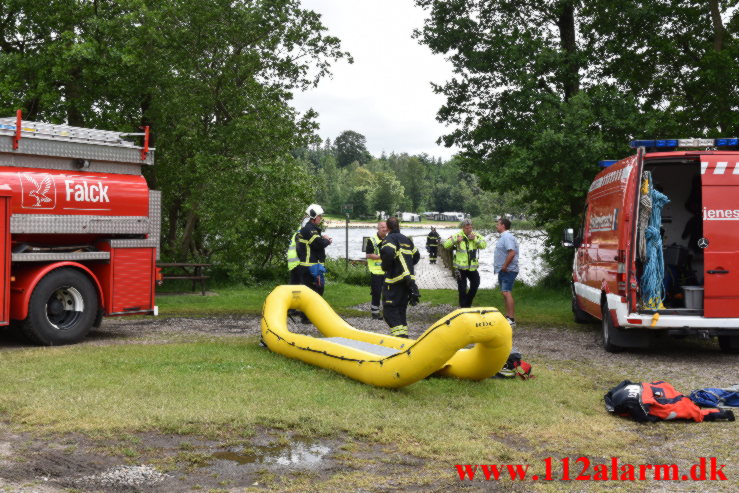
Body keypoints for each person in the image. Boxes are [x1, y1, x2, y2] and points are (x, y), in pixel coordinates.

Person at [380, 216, 420, 338]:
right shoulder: (407, 240)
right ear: (398, 226)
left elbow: (387, 252)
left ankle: (400, 340)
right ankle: (404, 341)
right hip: (407, 282)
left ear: (387, 227)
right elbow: (417, 256)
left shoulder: (389, 239)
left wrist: (386, 267)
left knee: (389, 312)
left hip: (394, 282)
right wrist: (407, 265)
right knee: (401, 311)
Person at [295, 204, 332, 323]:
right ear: (314, 217)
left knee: (315, 291)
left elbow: (317, 241)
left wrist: (323, 239)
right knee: (314, 291)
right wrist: (327, 240)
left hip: (312, 266)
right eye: (319, 216)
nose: (320, 219)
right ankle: (307, 317)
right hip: (310, 267)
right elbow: (317, 243)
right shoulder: (309, 229)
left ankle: (309, 315)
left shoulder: (310, 229)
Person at [443, 219, 487, 308]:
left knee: (475, 284)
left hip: (472, 268)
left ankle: (468, 303)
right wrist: (455, 240)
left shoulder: (476, 235)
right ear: (463, 228)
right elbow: (445, 245)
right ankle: (463, 307)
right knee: (462, 288)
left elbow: (484, 245)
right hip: (460, 268)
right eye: (467, 228)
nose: (469, 229)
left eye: (470, 227)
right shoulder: (458, 235)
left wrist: (475, 239)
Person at [494, 217, 519, 328]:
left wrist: (505, 266)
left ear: (503, 225)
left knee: (506, 292)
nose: (496, 226)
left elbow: (512, 252)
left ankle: (511, 319)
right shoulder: (503, 237)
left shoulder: (507, 237)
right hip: (503, 269)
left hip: (508, 270)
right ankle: (508, 316)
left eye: (498, 224)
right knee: (504, 293)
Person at [365, 221, 388, 320]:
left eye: (386, 227)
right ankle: (375, 313)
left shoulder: (389, 239)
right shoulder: (372, 240)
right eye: (382, 227)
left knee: (388, 293)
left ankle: (387, 313)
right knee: (376, 293)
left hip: (387, 271)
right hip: (376, 271)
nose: (384, 229)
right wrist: (382, 257)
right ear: (378, 228)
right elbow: (368, 255)